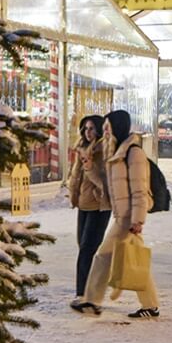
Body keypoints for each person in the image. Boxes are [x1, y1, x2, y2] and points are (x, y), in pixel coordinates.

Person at [73, 109, 160, 319]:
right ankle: (150, 304)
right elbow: (108, 185)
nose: (105, 131)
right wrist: (90, 168)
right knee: (133, 258)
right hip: (122, 216)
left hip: (128, 217)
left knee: (103, 256)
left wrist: (137, 219)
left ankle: (91, 300)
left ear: (118, 126)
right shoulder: (117, 151)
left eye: (107, 127)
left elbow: (140, 189)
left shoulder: (133, 153)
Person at [68, 115, 111, 303]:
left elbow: (104, 184)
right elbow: (75, 177)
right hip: (84, 204)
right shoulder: (82, 149)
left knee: (87, 248)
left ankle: (83, 293)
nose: (88, 132)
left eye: (92, 128)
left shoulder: (104, 151)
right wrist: (73, 194)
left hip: (99, 206)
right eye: (85, 129)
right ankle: (88, 289)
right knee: (83, 247)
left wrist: (90, 167)